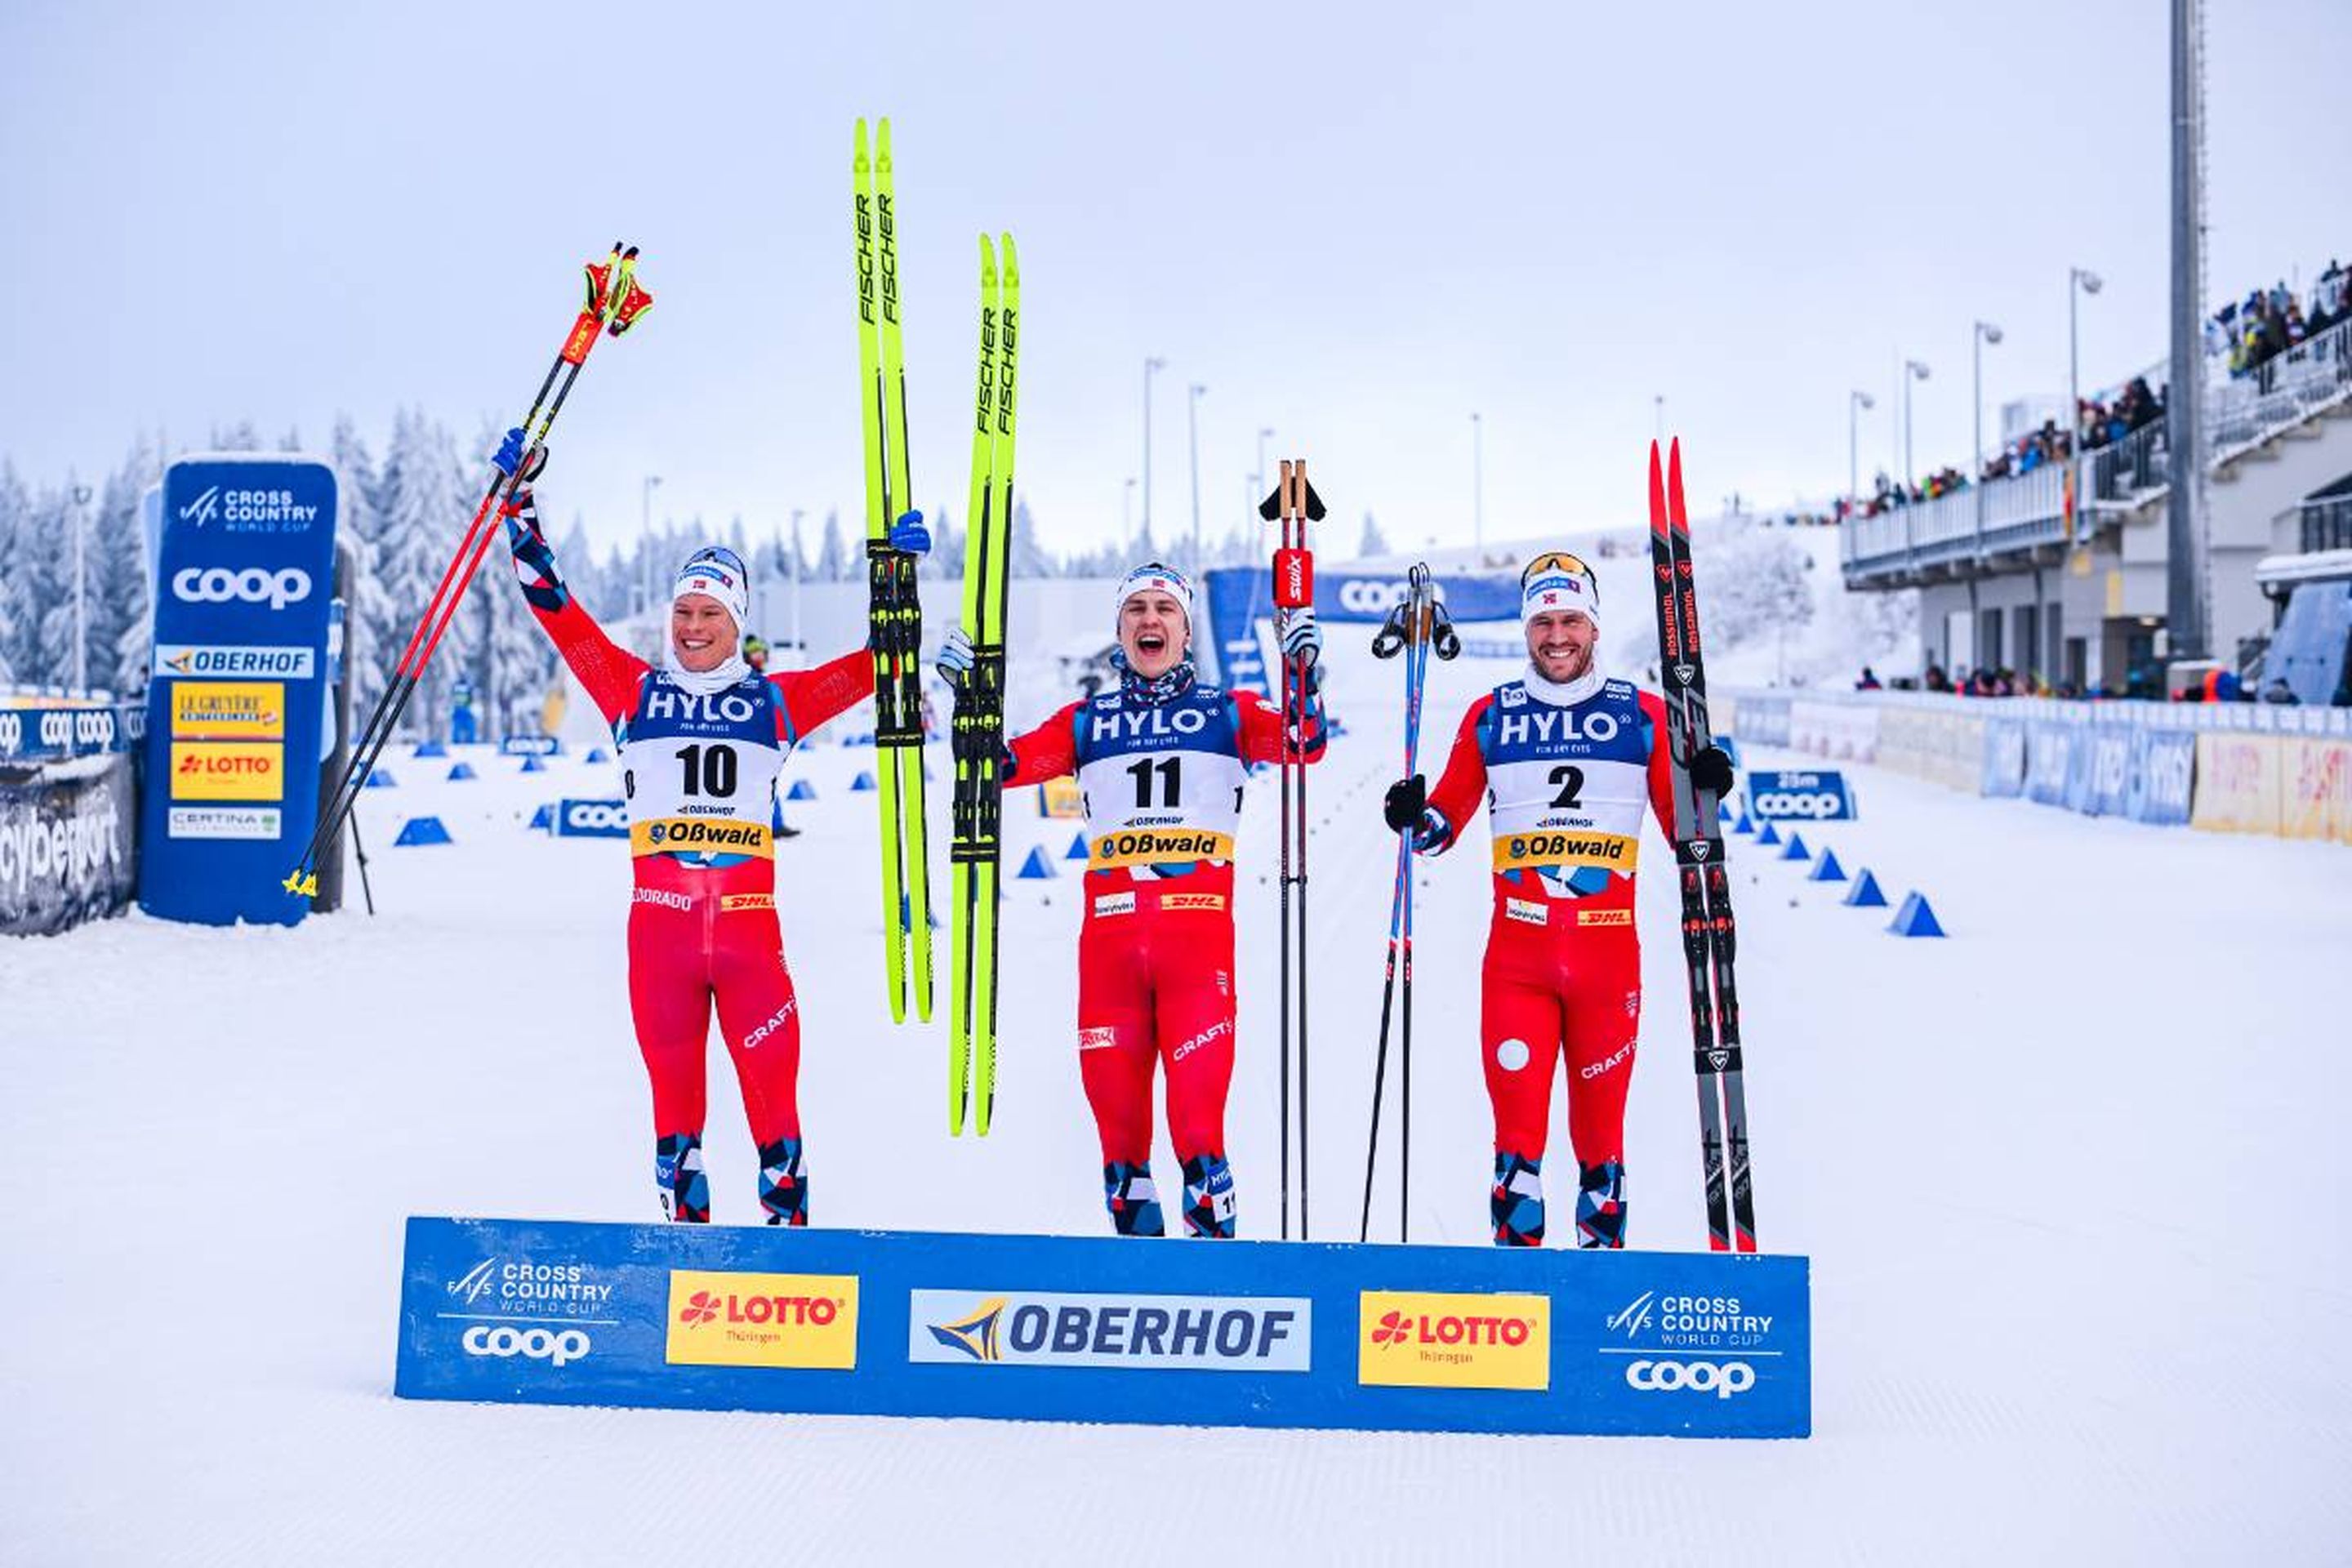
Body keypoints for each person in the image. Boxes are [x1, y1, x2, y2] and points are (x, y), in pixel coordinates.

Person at [491, 427, 927, 1225]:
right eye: (684, 611)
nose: (693, 626)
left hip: (750, 942)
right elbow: (555, 608)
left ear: (738, 621)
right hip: (659, 945)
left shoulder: (775, 701)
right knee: (675, 1129)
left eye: (711, 613)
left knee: (776, 1127)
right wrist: (519, 508)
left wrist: (896, 577)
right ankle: (685, 1277)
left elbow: (879, 662)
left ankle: (793, 1275)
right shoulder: (631, 692)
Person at [940, 562, 1325, 1239]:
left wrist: (1301, 674)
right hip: (1110, 956)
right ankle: (1142, 1297)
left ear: (1184, 628)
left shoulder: (1227, 714)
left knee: (1200, 1139)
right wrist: (967, 702)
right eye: (1137, 610)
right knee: (1121, 1157)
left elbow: (1305, 741)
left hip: (1195, 956)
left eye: (1165, 610)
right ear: (1120, 629)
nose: (1151, 620)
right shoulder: (1087, 721)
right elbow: (993, 768)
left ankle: (1218, 1297)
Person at [1381, 553, 1731, 1250]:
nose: (1557, 636)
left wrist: (1709, 789)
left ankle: (1596, 1297)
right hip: (1518, 965)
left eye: (1571, 619)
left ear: (1594, 628)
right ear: (1526, 629)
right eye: (1543, 622)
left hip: (1607, 966)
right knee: (1517, 1144)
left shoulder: (1644, 717)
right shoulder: (1492, 716)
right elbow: (1440, 826)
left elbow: (1682, 834)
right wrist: (1412, 814)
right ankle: (1519, 1292)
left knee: (1602, 1142)